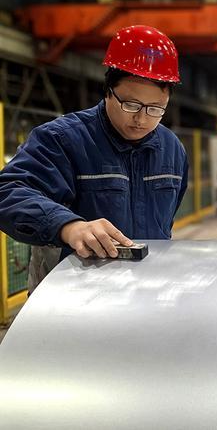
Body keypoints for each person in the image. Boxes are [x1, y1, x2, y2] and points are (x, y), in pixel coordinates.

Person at [0, 25, 188, 292]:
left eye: (156, 109)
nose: (141, 119)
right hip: (70, 294)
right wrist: (69, 226)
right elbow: (8, 191)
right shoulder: (62, 140)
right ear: (108, 90)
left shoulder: (172, 148)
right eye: (131, 105)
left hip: (145, 291)